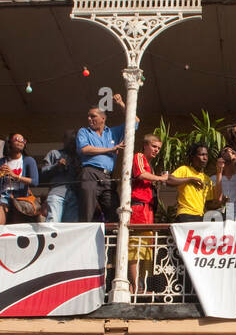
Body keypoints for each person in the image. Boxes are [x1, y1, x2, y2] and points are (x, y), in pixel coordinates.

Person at [128, 133, 168, 293]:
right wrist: (160, 178)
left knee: (146, 249)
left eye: (158, 148)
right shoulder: (139, 156)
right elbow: (140, 174)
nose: (156, 150)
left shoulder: (149, 164)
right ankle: (135, 285)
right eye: (154, 146)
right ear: (145, 145)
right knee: (135, 247)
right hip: (138, 207)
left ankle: (142, 286)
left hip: (148, 209)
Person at [77, 100, 128, 224]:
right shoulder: (84, 131)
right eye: (88, 116)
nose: (89, 119)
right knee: (87, 211)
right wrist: (111, 149)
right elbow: (85, 149)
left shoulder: (113, 132)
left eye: (93, 116)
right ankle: (86, 241)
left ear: (103, 118)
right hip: (90, 173)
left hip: (107, 176)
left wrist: (121, 103)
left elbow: (135, 121)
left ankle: (112, 240)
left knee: (113, 211)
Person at [0, 133, 39, 225]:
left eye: (22, 140)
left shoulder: (28, 160)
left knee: (17, 226)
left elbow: (35, 182)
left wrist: (14, 175)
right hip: (4, 196)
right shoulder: (1, 162)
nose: (20, 142)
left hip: (21, 197)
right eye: (17, 139)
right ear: (9, 143)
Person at [40, 130, 80, 223]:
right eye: (70, 141)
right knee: (53, 223)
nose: (72, 144)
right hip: (57, 194)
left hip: (74, 196)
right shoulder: (54, 153)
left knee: (70, 227)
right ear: (64, 141)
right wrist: (56, 166)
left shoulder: (78, 157)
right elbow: (43, 172)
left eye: (74, 142)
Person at [167, 142, 211, 223]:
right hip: (186, 214)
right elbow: (169, 180)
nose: (205, 158)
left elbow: (208, 203)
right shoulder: (185, 169)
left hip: (201, 216)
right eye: (201, 155)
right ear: (193, 157)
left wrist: (221, 202)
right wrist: (190, 179)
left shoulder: (207, 179)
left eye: (206, 155)